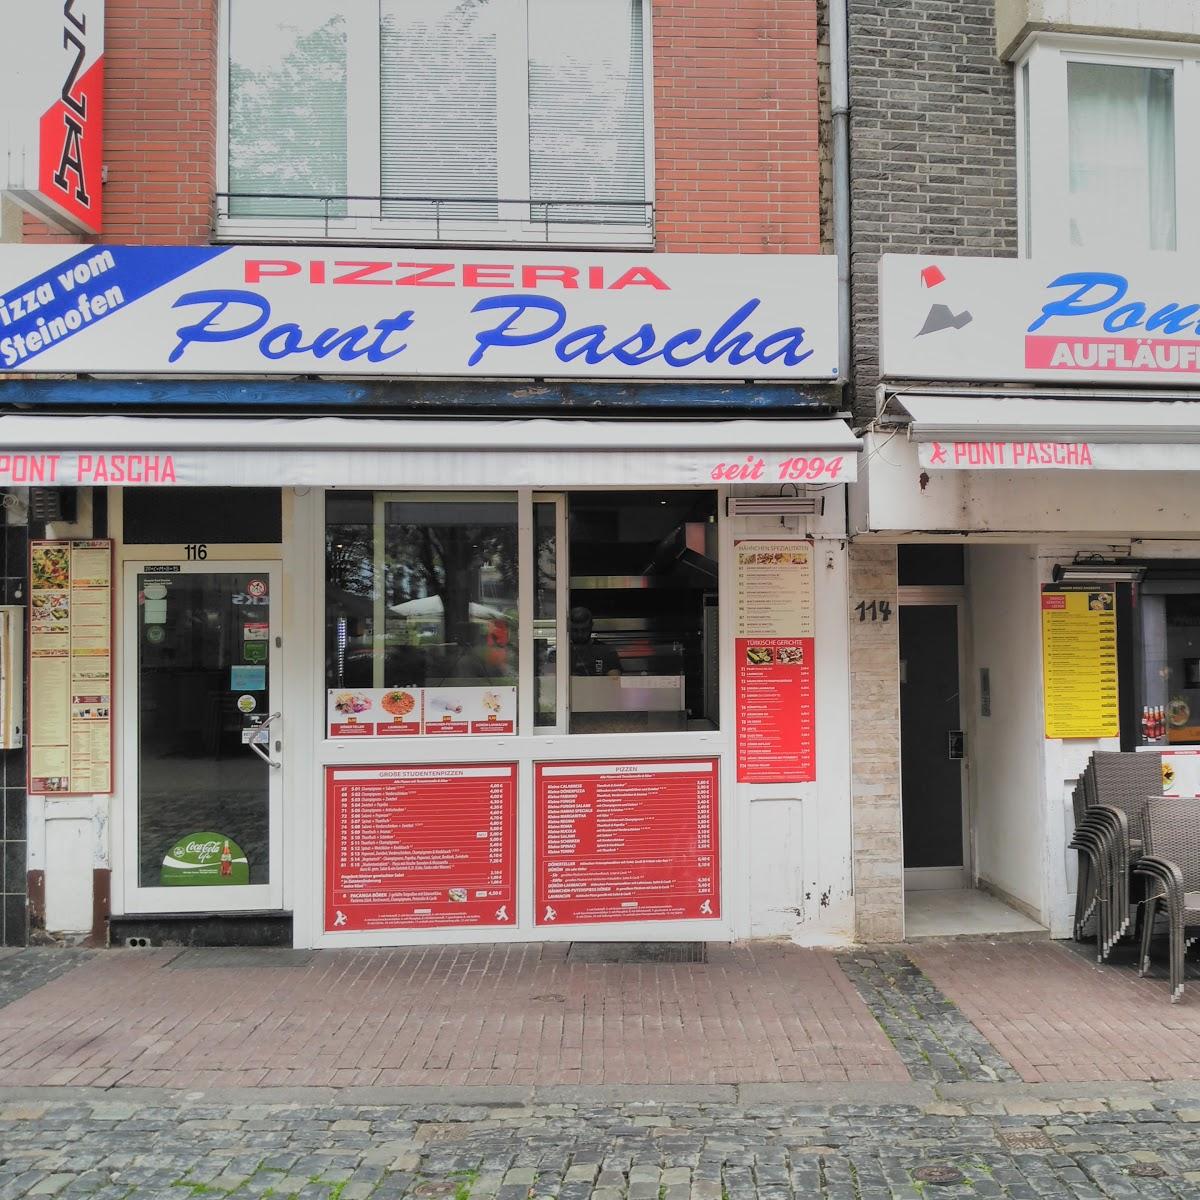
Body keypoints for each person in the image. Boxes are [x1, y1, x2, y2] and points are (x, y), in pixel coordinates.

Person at [568, 606, 621, 677]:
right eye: (575, 630)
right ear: (569, 628)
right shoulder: (563, 652)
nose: (580, 634)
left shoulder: (606, 651)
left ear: (591, 626)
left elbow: (615, 679)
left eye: (584, 630)